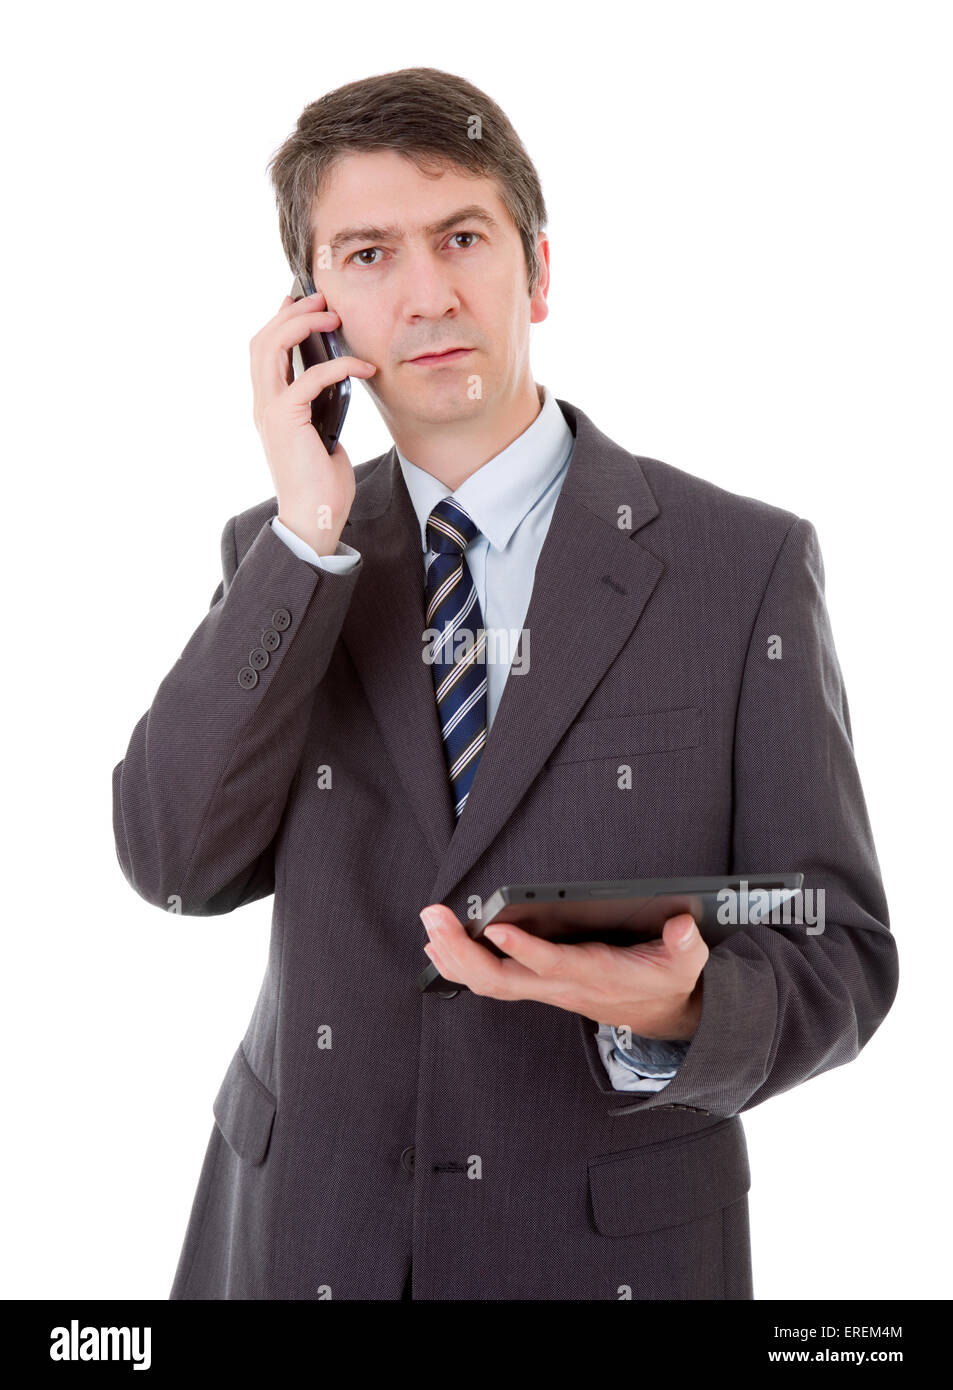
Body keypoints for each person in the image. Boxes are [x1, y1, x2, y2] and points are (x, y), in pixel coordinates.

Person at [111, 66, 898, 1301]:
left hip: (604, 1258)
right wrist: (305, 536)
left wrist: (676, 1012)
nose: (426, 295)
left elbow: (835, 945)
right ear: (312, 316)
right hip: (301, 1243)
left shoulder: (742, 568)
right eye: (367, 255)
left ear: (535, 270)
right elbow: (172, 860)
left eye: (461, 237)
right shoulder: (281, 558)